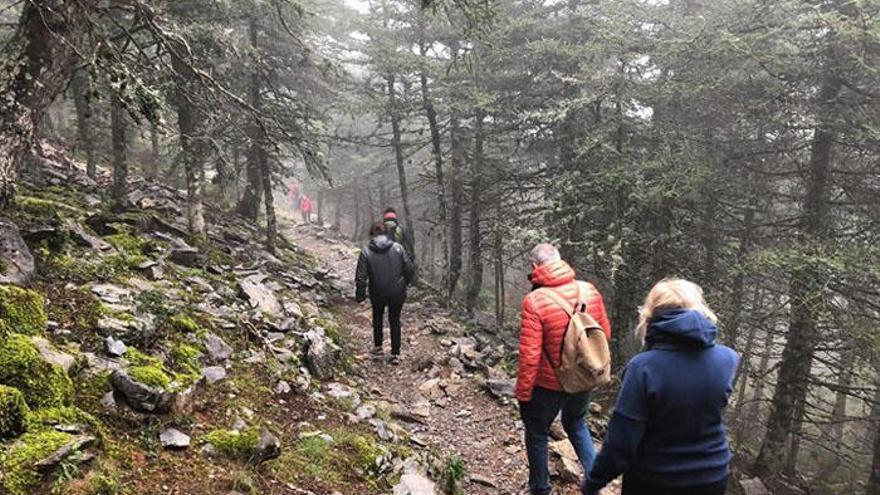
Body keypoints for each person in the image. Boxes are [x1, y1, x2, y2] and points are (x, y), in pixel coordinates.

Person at [582, 279, 739, 495]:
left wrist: (592, 484)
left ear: (650, 315)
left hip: (654, 481)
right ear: (699, 309)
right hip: (713, 477)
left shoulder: (643, 368)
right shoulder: (728, 359)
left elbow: (621, 445)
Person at [517, 243, 612, 495]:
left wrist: (524, 393)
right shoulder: (588, 290)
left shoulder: (534, 301)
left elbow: (530, 356)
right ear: (561, 261)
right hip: (584, 376)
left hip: (549, 384)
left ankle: (540, 488)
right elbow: (604, 334)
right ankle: (595, 484)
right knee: (577, 422)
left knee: (537, 430)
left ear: (535, 267)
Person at [355, 222, 414, 365]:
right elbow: (409, 268)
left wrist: (360, 296)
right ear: (386, 233)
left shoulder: (366, 251)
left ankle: (378, 346)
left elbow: (361, 276)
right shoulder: (398, 248)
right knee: (395, 319)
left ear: (372, 233)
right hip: (397, 291)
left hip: (377, 291)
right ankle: (395, 353)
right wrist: (405, 283)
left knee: (377, 317)